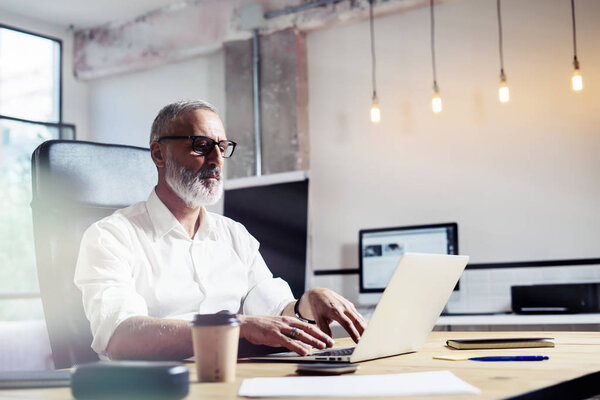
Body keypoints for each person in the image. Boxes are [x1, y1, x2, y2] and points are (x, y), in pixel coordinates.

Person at [74, 99, 366, 361]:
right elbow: (121, 337)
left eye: (222, 147)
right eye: (201, 146)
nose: (216, 160)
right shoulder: (110, 236)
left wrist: (306, 306)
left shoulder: (235, 235)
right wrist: (235, 326)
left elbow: (274, 311)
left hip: (234, 382)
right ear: (159, 154)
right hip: (156, 389)